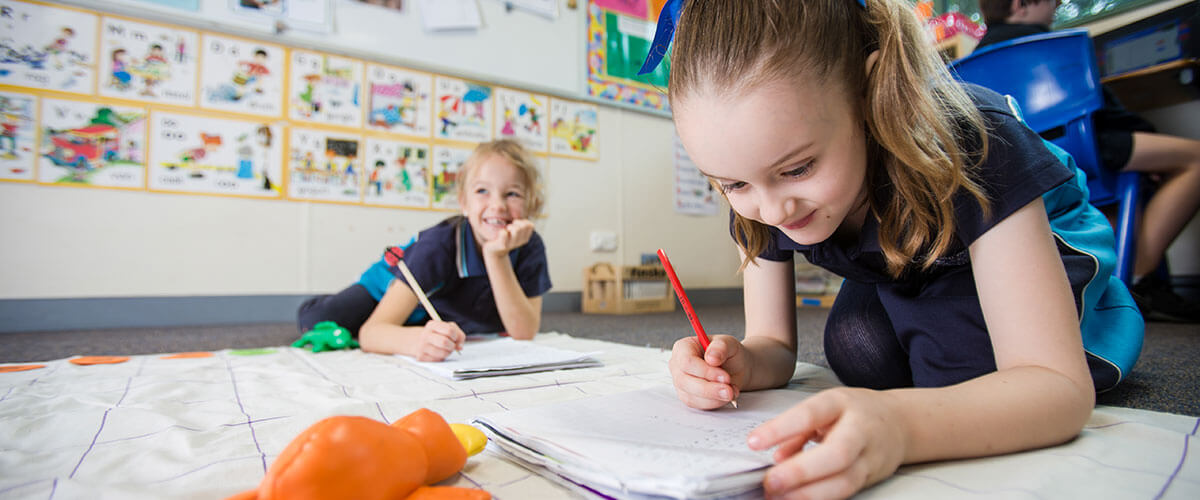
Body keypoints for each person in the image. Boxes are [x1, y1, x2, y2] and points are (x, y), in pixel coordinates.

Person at [651, 0, 1144, 498]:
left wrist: (901, 425)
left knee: (960, 364)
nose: (773, 211)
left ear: (870, 94)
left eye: (798, 169)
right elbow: (774, 347)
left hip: (1042, 252)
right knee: (855, 342)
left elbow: (1056, 386)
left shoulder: (976, 142)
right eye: (733, 184)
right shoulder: (763, 185)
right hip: (912, 265)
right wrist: (740, 363)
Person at [976, 0, 1200, 322]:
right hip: (1081, 149)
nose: (1055, 7)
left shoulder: (972, 62)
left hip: (1020, 163)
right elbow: (1108, 116)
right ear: (1020, 5)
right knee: (1194, 158)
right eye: (1050, 2)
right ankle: (1136, 271)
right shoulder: (1054, 47)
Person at [296, 139, 550, 361]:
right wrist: (414, 342)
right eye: (482, 190)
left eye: (513, 193)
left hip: (438, 306)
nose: (497, 205)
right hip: (386, 286)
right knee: (324, 319)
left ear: (532, 204)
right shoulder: (437, 246)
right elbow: (371, 333)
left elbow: (524, 332)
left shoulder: (531, 246)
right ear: (464, 202)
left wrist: (497, 256)